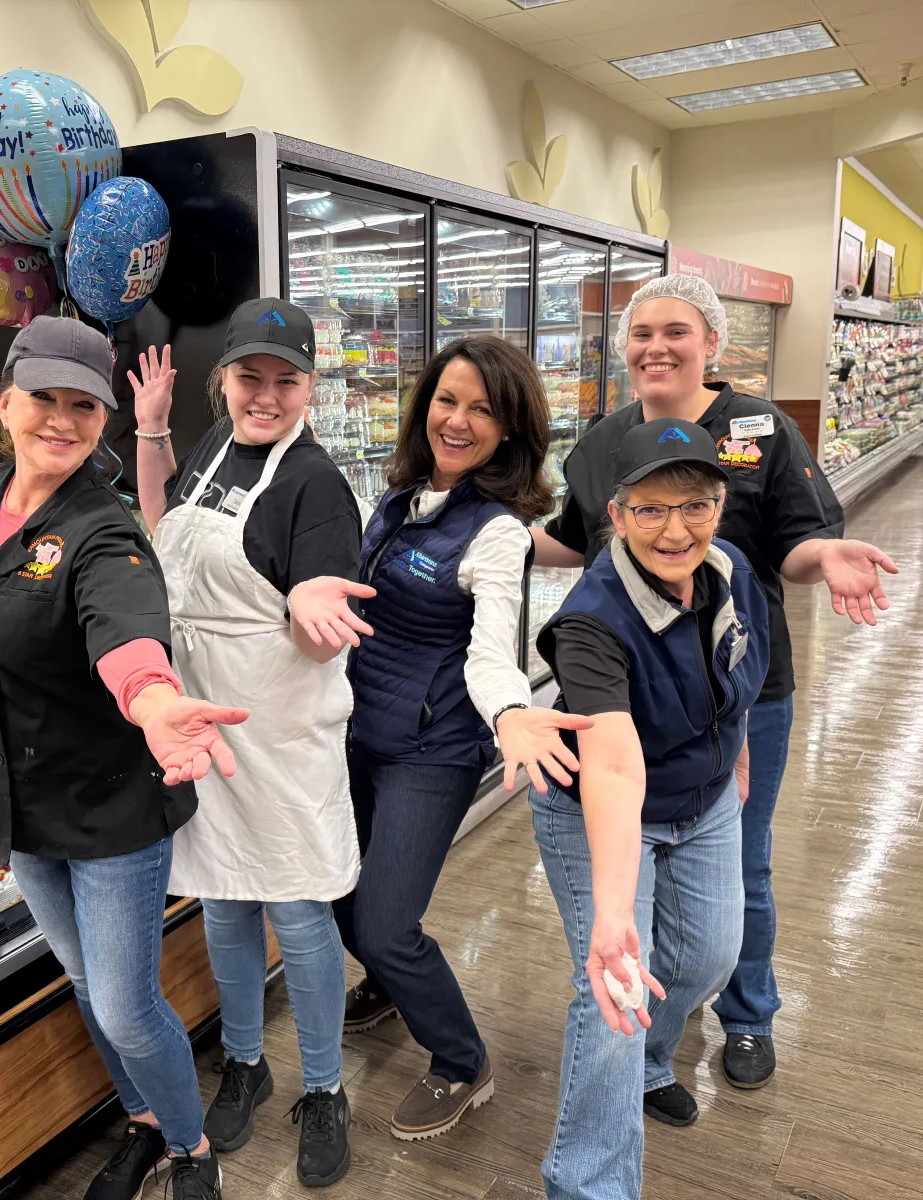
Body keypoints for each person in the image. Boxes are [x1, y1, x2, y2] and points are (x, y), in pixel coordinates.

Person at [0, 315, 247, 1200]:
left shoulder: (104, 528)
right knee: (88, 983)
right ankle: (141, 1120)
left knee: (129, 1005)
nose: (61, 420)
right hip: (14, 801)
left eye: (83, 406)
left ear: (106, 420)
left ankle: (190, 1147)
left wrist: (156, 701)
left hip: (106, 809)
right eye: (44, 400)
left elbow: (123, 626)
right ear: (5, 401)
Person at [530, 274, 895, 1107]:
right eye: (641, 333)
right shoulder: (602, 441)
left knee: (741, 862)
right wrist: (475, 542)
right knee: (642, 869)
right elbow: (569, 540)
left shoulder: (760, 432)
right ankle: (658, 1016)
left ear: (713, 345)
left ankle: (748, 1012)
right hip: (630, 692)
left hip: (743, 691)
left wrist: (823, 560)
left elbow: (799, 541)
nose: (656, 347)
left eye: (677, 332)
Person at [131, 298, 367, 1188]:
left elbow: (323, 613)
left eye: (286, 381)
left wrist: (312, 605)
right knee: (225, 900)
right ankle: (244, 1061)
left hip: (284, 732)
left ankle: (324, 1086)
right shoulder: (211, 452)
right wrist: (152, 432)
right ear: (222, 381)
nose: (266, 397)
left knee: (301, 914)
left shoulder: (315, 484)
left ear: (309, 387)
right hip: (205, 722)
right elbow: (163, 536)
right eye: (249, 378)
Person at [337, 334, 594, 1142]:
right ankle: (388, 981)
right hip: (357, 728)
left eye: (483, 409)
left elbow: (491, 653)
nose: (459, 420)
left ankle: (460, 1060)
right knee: (338, 886)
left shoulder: (499, 534)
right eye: (448, 400)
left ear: (512, 431)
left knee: (385, 922)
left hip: (432, 747)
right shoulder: (400, 496)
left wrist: (512, 714)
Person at [532, 416, 770, 1200]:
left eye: (695, 506)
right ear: (617, 515)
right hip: (601, 813)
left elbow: (742, 672)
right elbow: (610, 764)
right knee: (613, 993)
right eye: (651, 510)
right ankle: (586, 1184)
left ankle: (649, 1064)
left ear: (720, 503)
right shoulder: (591, 622)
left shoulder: (730, 569)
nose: (676, 531)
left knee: (709, 955)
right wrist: (611, 916)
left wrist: (732, 752)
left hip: (703, 801)